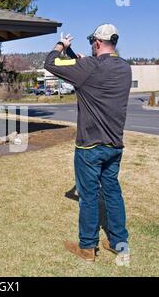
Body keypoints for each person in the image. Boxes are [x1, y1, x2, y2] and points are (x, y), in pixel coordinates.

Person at [44, 24, 132, 264]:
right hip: (115, 145)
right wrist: (82, 63)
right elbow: (96, 79)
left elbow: (50, 62)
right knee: (113, 193)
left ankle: (87, 248)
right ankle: (119, 243)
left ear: (96, 43)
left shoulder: (89, 67)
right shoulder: (125, 68)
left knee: (89, 196)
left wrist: (62, 46)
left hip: (89, 146)